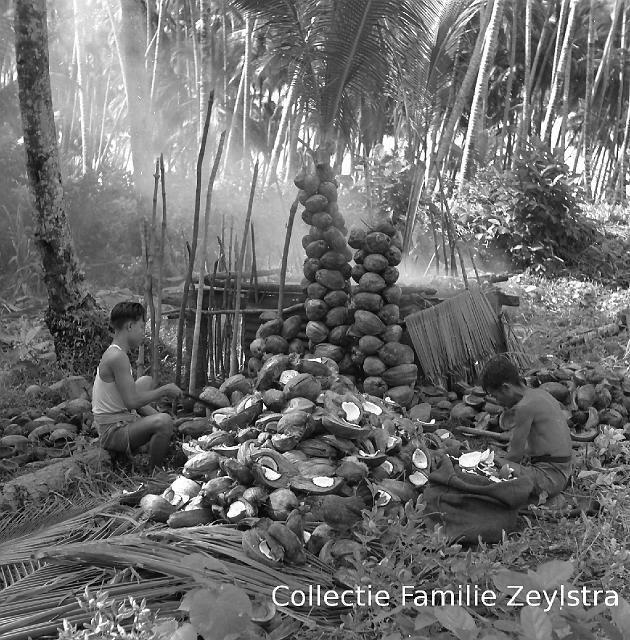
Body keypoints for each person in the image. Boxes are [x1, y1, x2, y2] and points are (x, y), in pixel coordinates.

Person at [92, 302, 182, 469]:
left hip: (119, 416)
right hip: (112, 431)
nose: (143, 332)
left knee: (146, 381)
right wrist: (165, 390)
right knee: (164, 422)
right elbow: (132, 402)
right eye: (141, 326)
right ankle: (154, 471)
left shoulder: (117, 351)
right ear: (130, 326)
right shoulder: (117, 357)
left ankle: (152, 424)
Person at [479, 355, 573, 500]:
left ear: (506, 388)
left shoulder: (524, 407)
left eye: (496, 396)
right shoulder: (540, 394)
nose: (498, 401)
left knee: (487, 465)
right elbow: (540, 444)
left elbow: (515, 456)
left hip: (550, 479)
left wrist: (491, 463)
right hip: (564, 471)